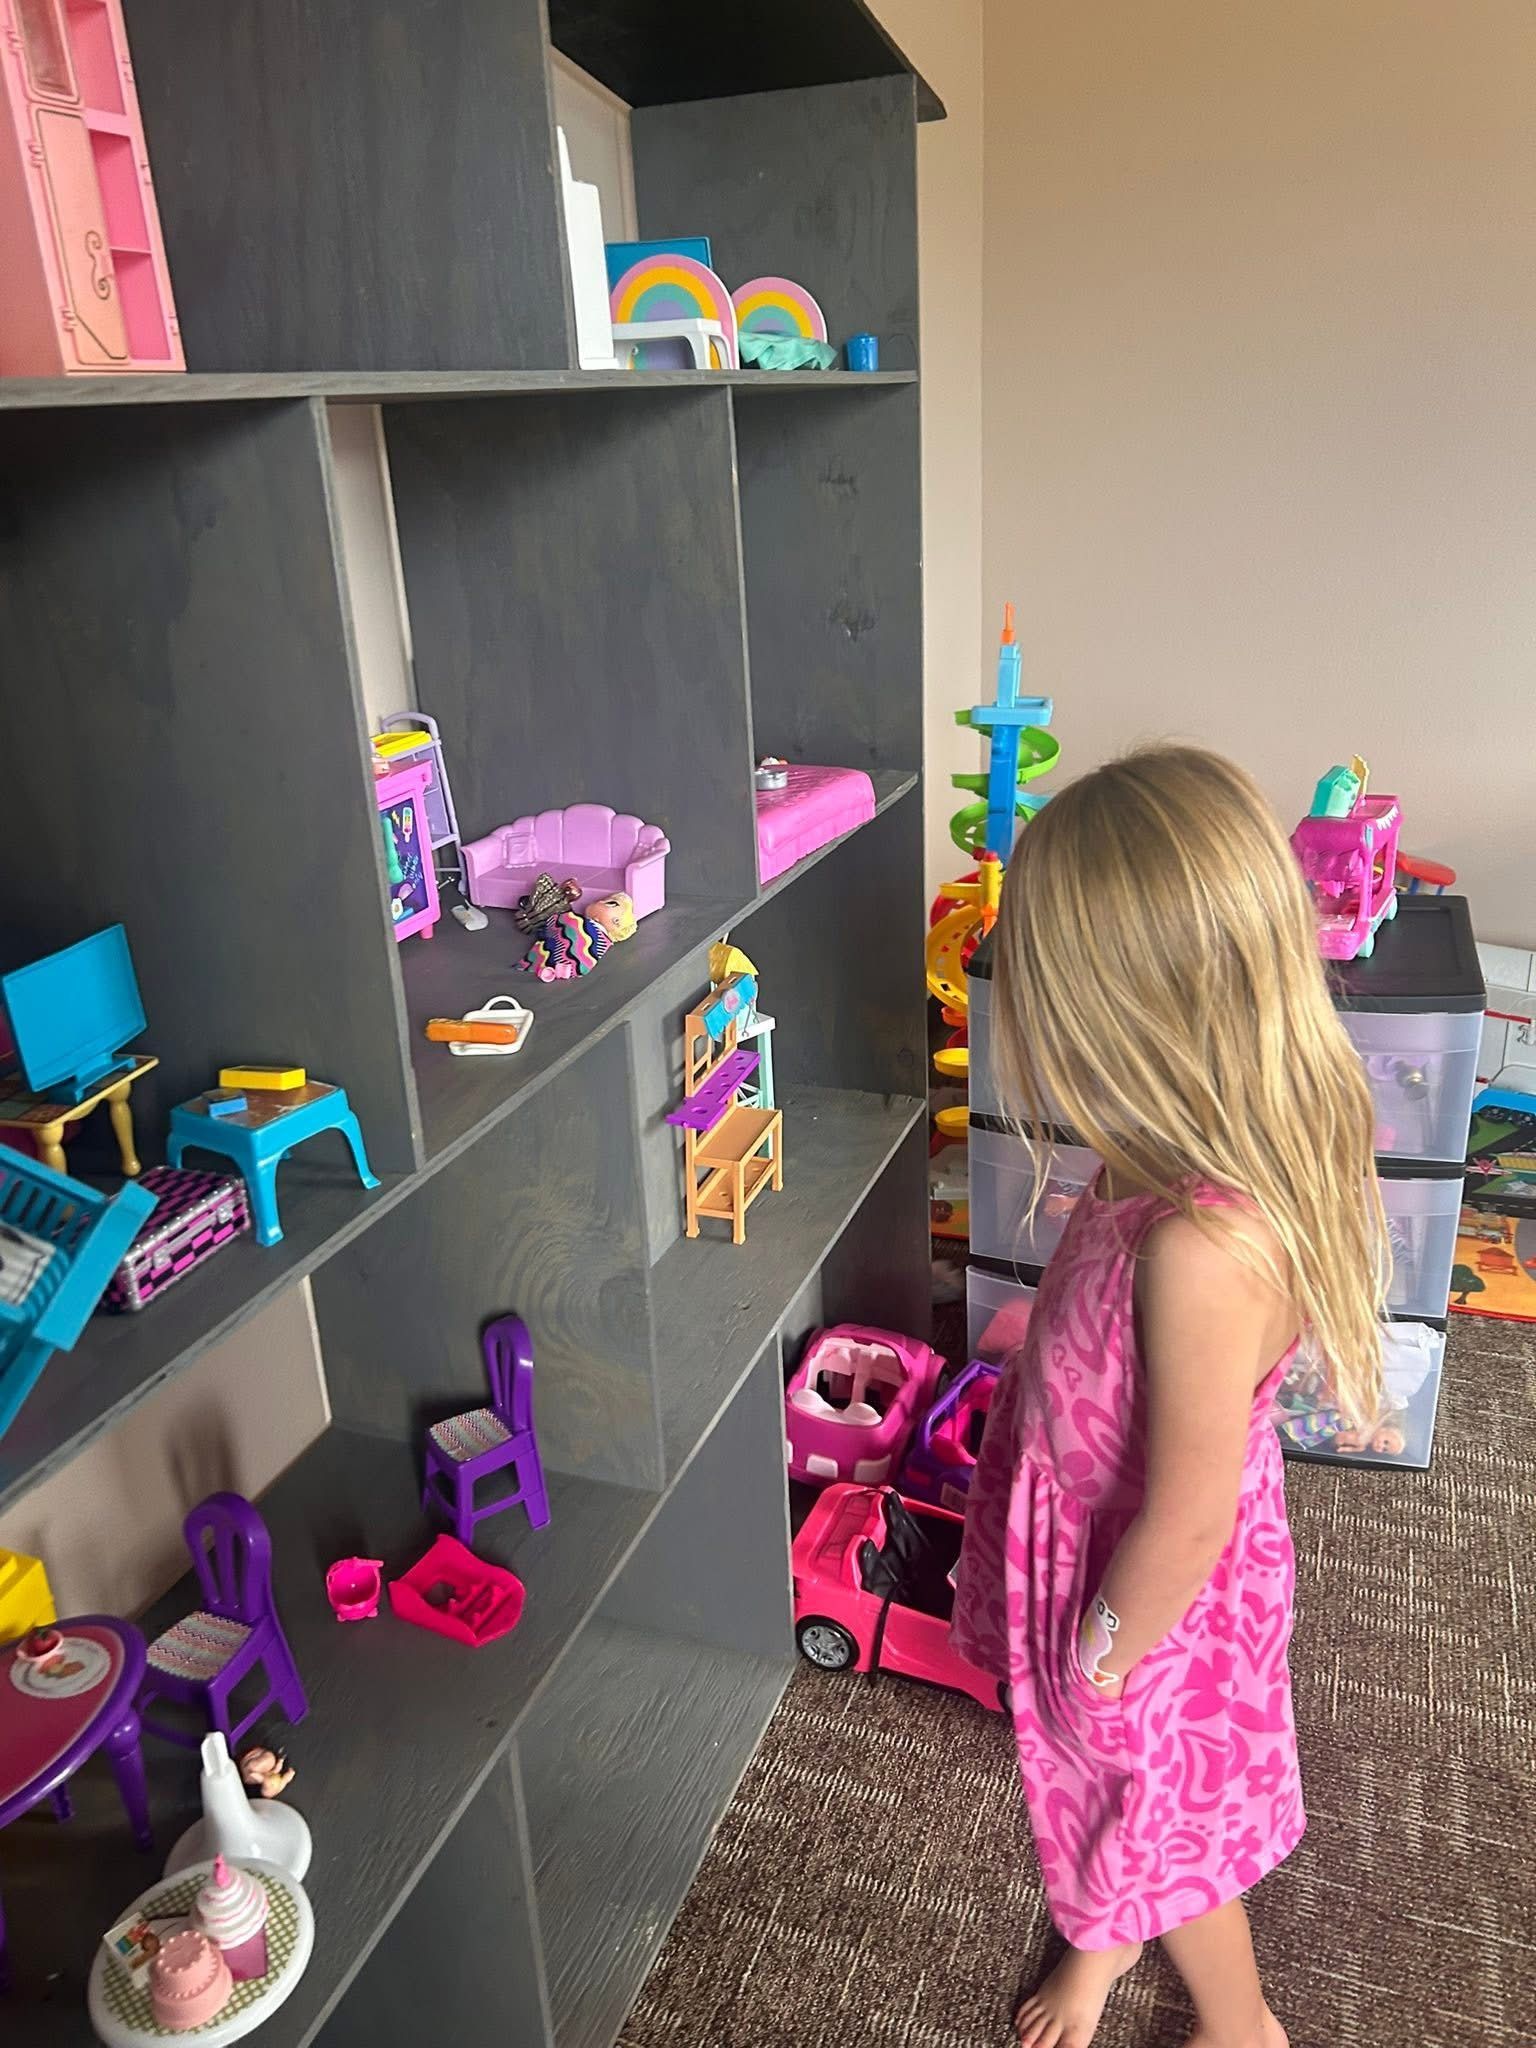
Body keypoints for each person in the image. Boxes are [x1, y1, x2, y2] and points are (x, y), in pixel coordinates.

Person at [952, 746, 1388, 2048]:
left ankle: (1239, 2020)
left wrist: (1101, 1657)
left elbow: (1190, 1514)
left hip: (1153, 1599)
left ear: (1127, 1019)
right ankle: (1100, 1934)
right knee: (1101, 1807)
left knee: (1165, 1820)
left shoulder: (1204, 1248)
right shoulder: (1164, 1150)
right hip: (1107, 1535)